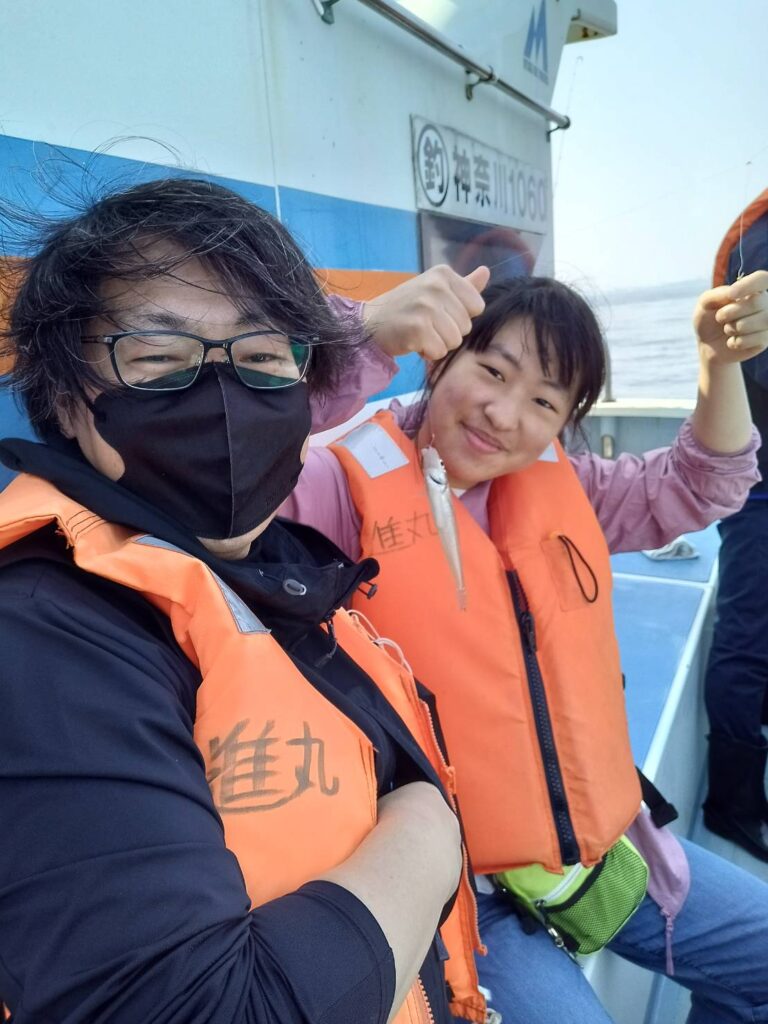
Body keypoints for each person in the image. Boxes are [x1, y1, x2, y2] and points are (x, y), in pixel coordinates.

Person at [0, 177, 493, 1024]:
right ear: (71, 404)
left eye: (264, 359)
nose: (225, 401)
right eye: (159, 359)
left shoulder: (264, 569)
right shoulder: (46, 633)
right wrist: (430, 828)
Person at [283, 271, 768, 1023]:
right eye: (492, 370)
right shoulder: (333, 489)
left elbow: (702, 484)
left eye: (545, 403)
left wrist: (719, 360)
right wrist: (360, 337)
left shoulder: (567, 486)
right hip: (456, 895)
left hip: (594, 845)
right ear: (440, 355)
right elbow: (227, 475)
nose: (503, 416)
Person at [703, 188, 768, 862]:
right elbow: (753, 358)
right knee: (746, 636)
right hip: (759, 484)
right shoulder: (762, 239)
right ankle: (733, 801)